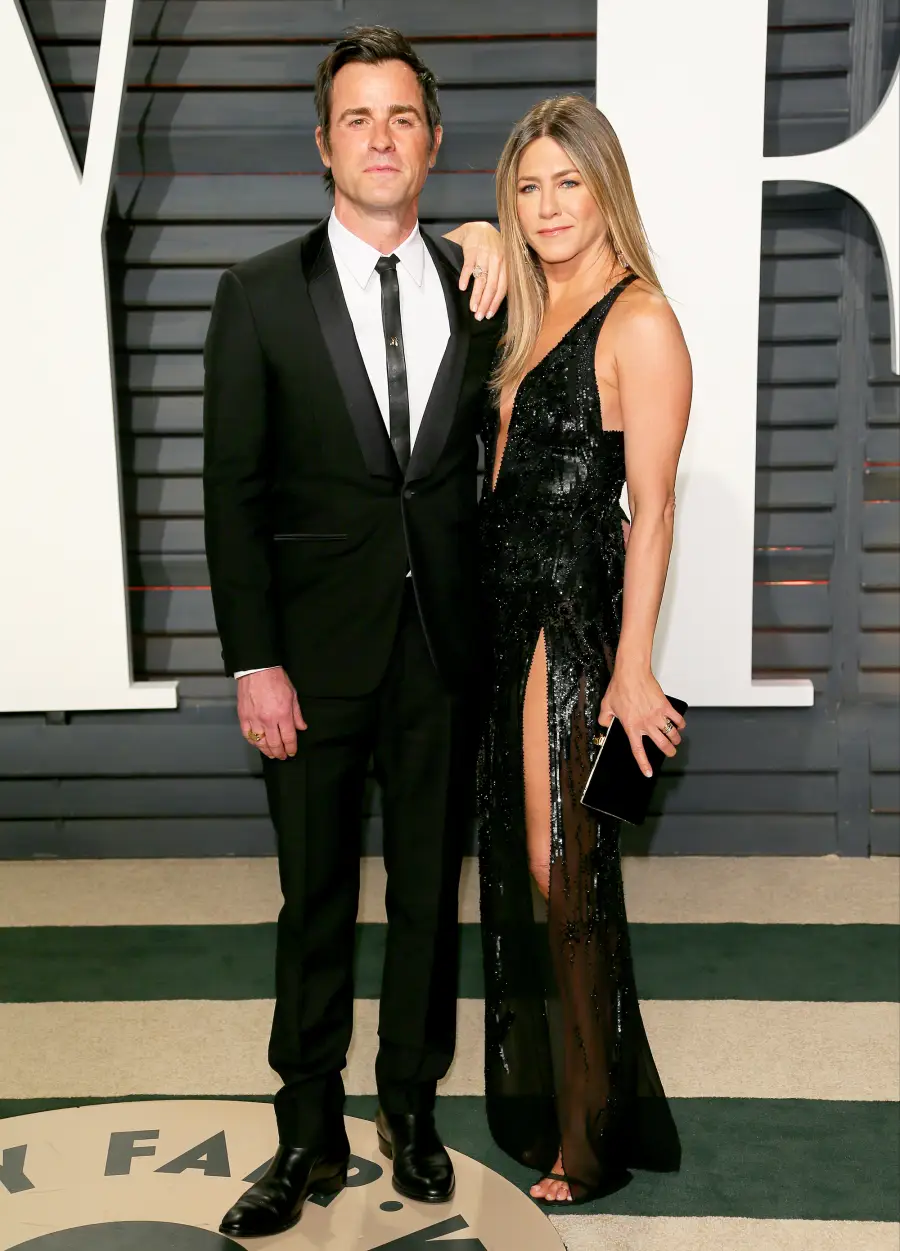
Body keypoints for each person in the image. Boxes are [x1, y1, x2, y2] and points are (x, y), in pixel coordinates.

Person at [203, 27, 505, 1238]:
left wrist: (491, 236)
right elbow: (232, 494)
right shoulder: (257, 293)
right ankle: (307, 1131)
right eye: (357, 119)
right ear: (323, 146)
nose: (382, 139)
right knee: (314, 899)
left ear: (432, 143)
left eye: (402, 118)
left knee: (430, 897)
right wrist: (253, 659)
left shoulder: (483, 283)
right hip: (310, 663)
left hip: (445, 652)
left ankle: (411, 1110)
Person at [477, 94, 691, 1206]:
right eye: (528, 187)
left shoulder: (637, 318)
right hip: (500, 612)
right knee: (535, 861)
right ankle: (580, 1098)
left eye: (569, 182)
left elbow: (653, 509)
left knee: (564, 866)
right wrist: (474, 231)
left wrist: (632, 666)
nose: (549, 205)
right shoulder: (524, 304)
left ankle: (590, 1134)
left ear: (607, 188)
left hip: (570, 617)